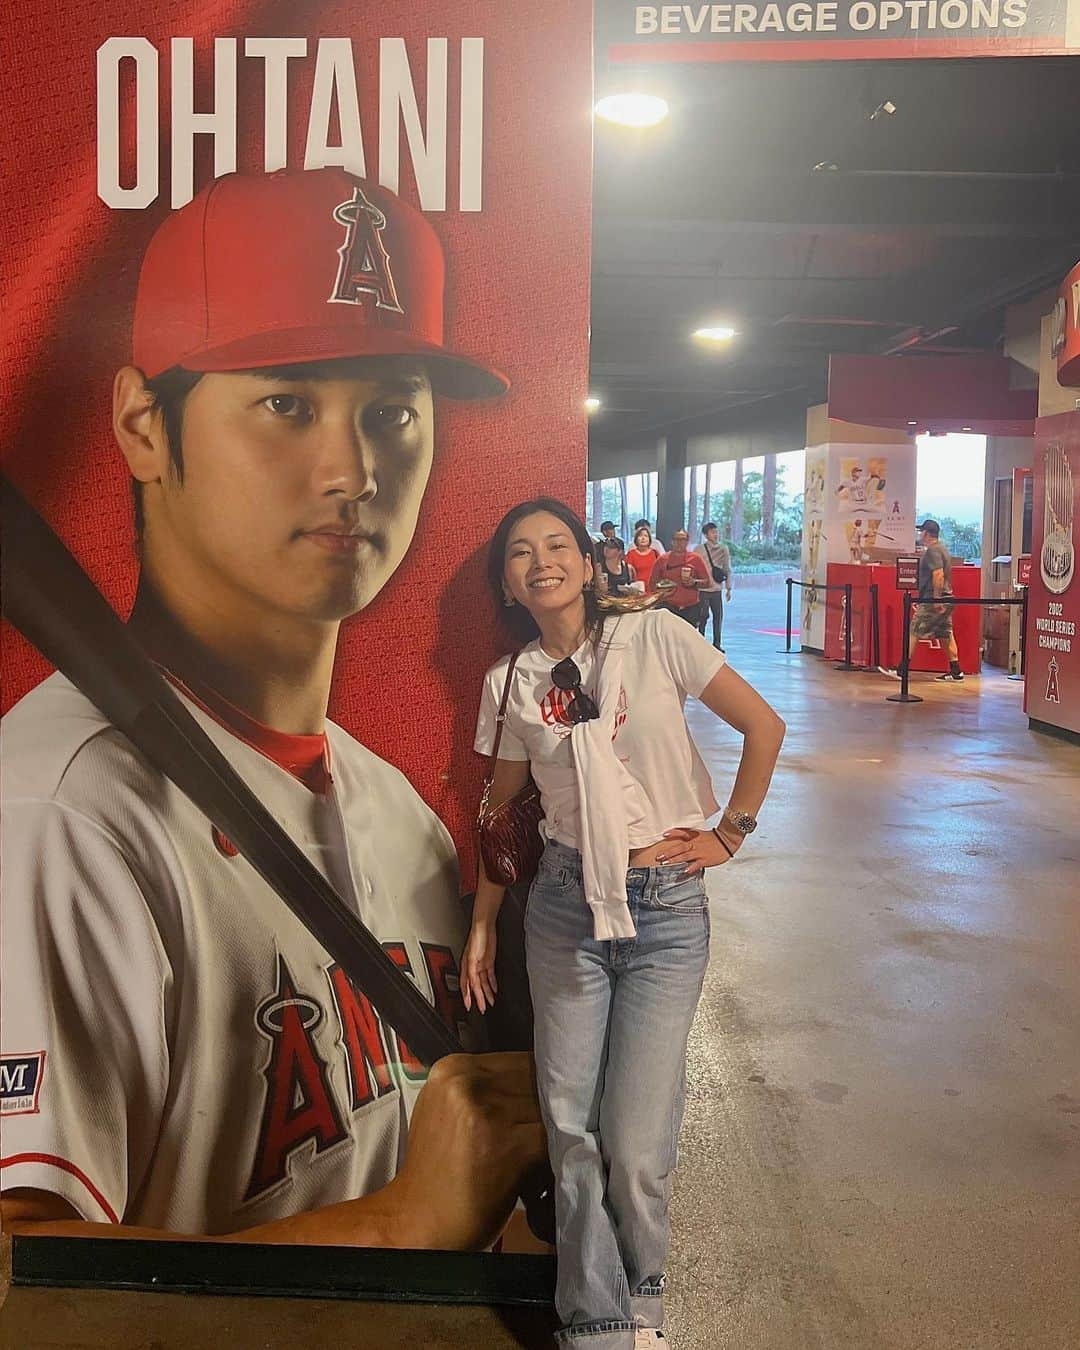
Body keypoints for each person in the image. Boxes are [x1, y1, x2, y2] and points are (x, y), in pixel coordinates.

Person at [0, 168, 546, 1247]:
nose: (352, 470)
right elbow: (18, 1291)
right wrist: (400, 1230)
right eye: (286, 404)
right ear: (144, 426)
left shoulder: (398, 816)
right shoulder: (57, 822)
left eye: (392, 411)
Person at [461, 498, 785, 1350]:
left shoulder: (654, 638)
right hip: (564, 905)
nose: (543, 563)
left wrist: (730, 834)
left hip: (667, 907)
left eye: (558, 545)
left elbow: (764, 725)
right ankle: (597, 1321)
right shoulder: (511, 684)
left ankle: (643, 1302)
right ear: (507, 579)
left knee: (636, 1144)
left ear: (588, 559)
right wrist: (486, 920)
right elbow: (502, 810)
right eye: (522, 553)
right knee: (571, 1128)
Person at [909, 519, 963, 682]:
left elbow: (938, 574)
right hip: (947, 598)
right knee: (945, 634)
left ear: (926, 533)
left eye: (921, 531)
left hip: (933, 599)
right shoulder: (943, 549)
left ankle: (902, 668)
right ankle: (956, 671)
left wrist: (936, 599)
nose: (920, 534)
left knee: (914, 629)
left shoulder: (933, 551)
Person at [649, 529, 709, 626]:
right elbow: (652, 583)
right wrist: (660, 594)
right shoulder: (662, 559)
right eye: (676, 539)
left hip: (691, 607)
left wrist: (694, 582)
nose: (679, 542)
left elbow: (707, 582)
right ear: (672, 541)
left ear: (687, 542)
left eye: (683, 539)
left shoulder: (696, 559)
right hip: (668, 606)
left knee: (688, 638)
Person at [695, 522, 732, 651]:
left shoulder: (724, 549)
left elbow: (727, 568)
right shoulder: (699, 549)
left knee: (718, 617)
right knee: (702, 616)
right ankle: (700, 642)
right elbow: (694, 567)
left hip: (716, 588)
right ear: (706, 535)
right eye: (712, 532)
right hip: (703, 588)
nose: (715, 534)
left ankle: (717, 644)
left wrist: (728, 588)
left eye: (716, 531)